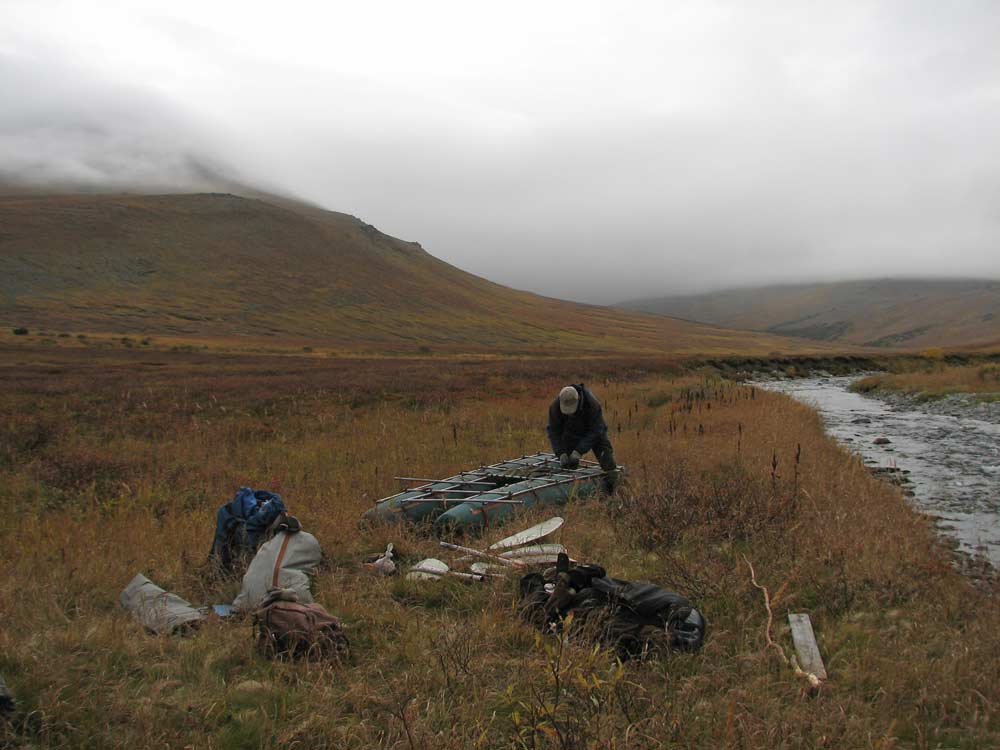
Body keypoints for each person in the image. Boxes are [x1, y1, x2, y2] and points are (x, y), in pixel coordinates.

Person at [546, 384, 618, 487]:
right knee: (568, 464)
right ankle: (571, 491)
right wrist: (560, 453)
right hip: (571, 432)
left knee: (607, 460)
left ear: (578, 400)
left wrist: (579, 451)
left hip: (595, 432)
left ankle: (613, 487)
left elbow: (596, 430)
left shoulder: (592, 404)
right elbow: (553, 431)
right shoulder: (555, 406)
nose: (569, 413)